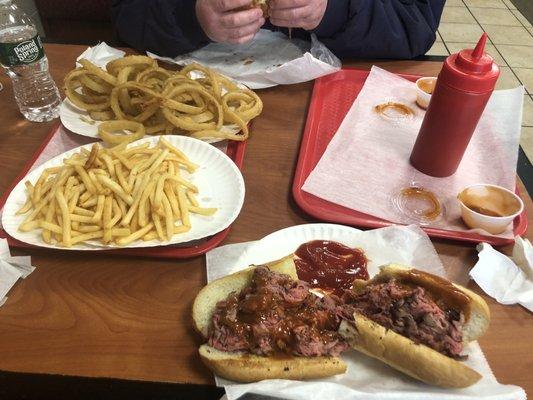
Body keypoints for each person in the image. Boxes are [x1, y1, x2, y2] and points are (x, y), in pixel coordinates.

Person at [112, 0, 445, 59]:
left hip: (339, 108)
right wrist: (190, 16)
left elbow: (415, 25)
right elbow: (127, 13)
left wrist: (335, 10)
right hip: (186, 97)